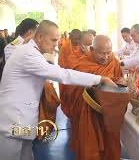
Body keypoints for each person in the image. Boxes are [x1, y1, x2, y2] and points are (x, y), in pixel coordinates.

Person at [0, 20, 115, 160]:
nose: (56, 45)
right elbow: (63, 75)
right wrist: (99, 79)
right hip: (13, 120)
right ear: (40, 37)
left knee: (26, 156)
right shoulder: (28, 54)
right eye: (53, 40)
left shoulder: (32, 52)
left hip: (23, 119)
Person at [63, 35, 123, 160]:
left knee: (110, 144)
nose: (106, 57)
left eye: (108, 53)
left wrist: (120, 83)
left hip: (109, 113)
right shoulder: (81, 65)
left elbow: (119, 80)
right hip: (88, 112)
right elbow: (72, 91)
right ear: (91, 49)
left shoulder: (113, 61)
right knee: (90, 145)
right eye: (102, 53)